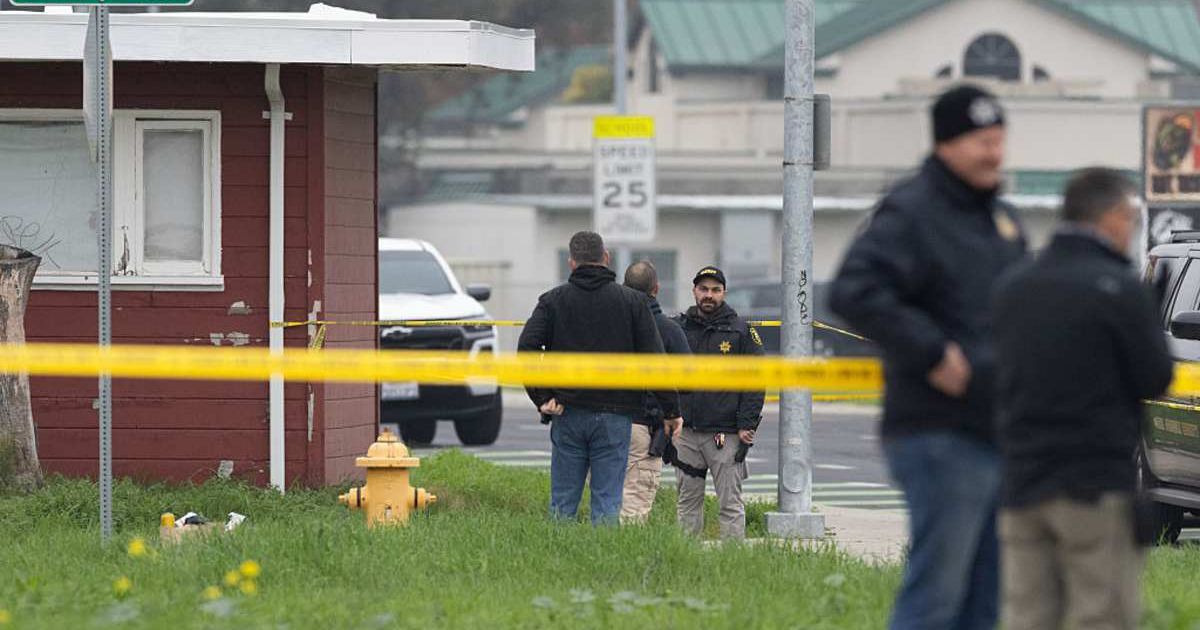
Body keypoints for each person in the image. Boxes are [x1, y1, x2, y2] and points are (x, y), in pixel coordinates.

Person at [830, 84, 1027, 629]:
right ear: (946, 144)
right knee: (937, 597)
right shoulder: (912, 211)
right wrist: (932, 350)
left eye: (999, 140)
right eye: (981, 141)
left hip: (996, 431)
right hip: (939, 433)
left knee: (985, 602)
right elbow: (854, 291)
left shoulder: (1000, 220)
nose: (994, 153)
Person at [993, 168, 1173, 630]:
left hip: (1021, 482)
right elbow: (1155, 378)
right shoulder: (1118, 288)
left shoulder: (1014, 285)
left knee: (1027, 615)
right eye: (1130, 218)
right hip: (1093, 484)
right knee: (1100, 612)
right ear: (1112, 216)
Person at [517, 231, 683, 525]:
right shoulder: (633, 302)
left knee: (563, 503)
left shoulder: (553, 301)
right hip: (616, 415)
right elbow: (654, 361)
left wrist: (543, 397)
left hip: (567, 413)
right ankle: (604, 566)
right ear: (606, 258)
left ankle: (557, 566)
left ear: (572, 262)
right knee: (607, 502)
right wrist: (670, 410)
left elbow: (527, 347)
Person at [674, 266, 765, 540]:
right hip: (687, 434)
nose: (709, 296)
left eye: (715, 290)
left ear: (724, 293)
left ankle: (734, 567)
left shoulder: (741, 332)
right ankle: (684, 561)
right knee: (687, 505)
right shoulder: (680, 328)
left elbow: (756, 380)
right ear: (694, 292)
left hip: (724, 436)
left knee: (730, 505)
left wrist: (747, 424)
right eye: (703, 289)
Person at [619, 260, 691, 523]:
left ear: (624, 288)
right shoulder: (669, 330)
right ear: (657, 288)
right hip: (646, 427)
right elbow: (686, 381)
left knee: (605, 501)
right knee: (635, 505)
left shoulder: (611, 326)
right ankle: (625, 560)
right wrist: (671, 411)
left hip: (606, 422)